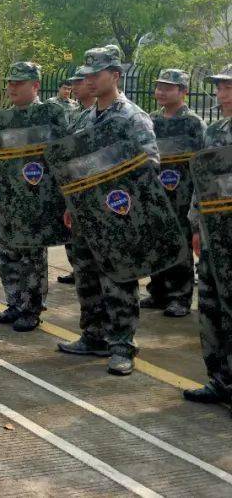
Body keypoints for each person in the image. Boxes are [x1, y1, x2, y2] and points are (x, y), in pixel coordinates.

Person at [57, 45, 157, 376]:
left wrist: (121, 192)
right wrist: (72, 205)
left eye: (96, 75)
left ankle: (122, 346)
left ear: (115, 76)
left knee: (119, 279)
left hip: (117, 215)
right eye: (87, 75)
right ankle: (93, 335)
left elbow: (150, 163)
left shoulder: (133, 117)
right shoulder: (85, 117)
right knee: (86, 276)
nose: (90, 80)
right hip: (87, 215)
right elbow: (75, 166)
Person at [0, 61, 67, 332]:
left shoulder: (51, 114)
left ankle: (32, 308)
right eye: (10, 82)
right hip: (6, 199)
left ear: (36, 85)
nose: (12, 87)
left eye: (19, 83)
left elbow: (63, 154)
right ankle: (14, 303)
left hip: (35, 198)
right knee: (6, 252)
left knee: (31, 254)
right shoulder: (3, 119)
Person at [183, 64, 232, 407]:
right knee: (212, 305)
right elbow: (201, 181)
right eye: (219, 87)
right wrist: (196, 223)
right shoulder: (214, 131)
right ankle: (220, 380)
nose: (222, 94)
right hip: (214, 233)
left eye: (228, 88)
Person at [143, 68, 205, 317]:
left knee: (180, 246)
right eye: (159, 87)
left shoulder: (193, 124)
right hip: (156, 195)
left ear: (183, 91)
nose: (161, 92)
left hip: (182, 195)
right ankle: (157, 292)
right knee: (157, 244)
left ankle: (180, 297)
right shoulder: (151, 121)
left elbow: (202, 164)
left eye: (168, 88)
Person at [56, 70, 97, 286]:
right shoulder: (77, 114)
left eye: (78, 83)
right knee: (72, 234)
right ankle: (77, 270)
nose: (74, 87)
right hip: (74, 187)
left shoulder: (101, 114)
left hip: (94, 190)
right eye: (71, 83)